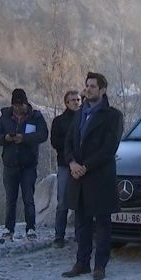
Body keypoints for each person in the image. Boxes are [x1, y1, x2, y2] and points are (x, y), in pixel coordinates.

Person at [61, 72, 124, 280]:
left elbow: (108, 148)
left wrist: (85, 166)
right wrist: (71, 163)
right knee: (81, 222)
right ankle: (82, 262)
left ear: (103, 90)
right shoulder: (80, 113)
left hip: (99, 177)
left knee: (103, 223)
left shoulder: (113, 116)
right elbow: (68, 141)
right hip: (77, 176)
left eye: (92, 87)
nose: (87, 89)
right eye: (86, 86)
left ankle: (100, 265)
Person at [0, 88, 48, 243]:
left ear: (26, 103)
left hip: (28, 164)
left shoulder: (35, 117)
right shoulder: (5, 117)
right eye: (15, 105)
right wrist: (5, 138)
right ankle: (8, 229)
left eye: (21, 105)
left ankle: (31, 228)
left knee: (28, 198)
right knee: (11, 199)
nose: (18, 108)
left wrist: (25, 138)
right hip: (9, 164)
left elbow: (43, 135)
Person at [50, 90, 82, 248]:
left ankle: (80, 234)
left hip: (82, 165)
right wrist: (71, 143)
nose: (76, 102)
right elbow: (55, 142)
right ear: (66, 102)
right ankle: (59, 236)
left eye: (78, 99)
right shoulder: (59, 121)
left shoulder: (84, 118)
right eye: (73, 100)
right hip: (64, 165)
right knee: (62, 202)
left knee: (80, 203)